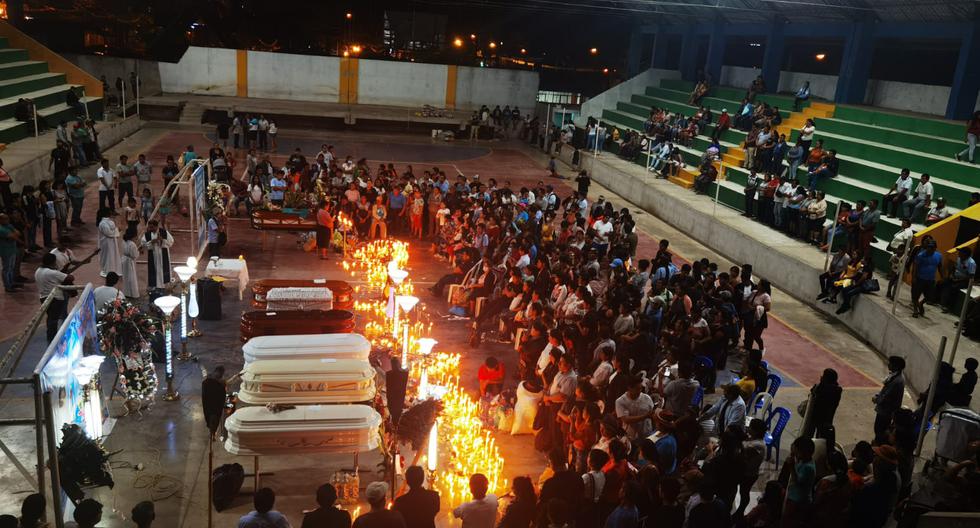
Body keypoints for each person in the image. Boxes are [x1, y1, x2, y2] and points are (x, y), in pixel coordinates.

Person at [35, 252, 72, 341]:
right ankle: (52, 339)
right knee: (54, 319)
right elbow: (70, 278)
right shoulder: (52, 273)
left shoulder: (38, 271)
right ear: (52, 262)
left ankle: (51, 337)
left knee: (51, 318)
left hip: (43, 297)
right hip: (55, 299)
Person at [801, 368, 842, 445]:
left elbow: (812, 395)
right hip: (827, 419)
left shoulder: (820, 388)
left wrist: (820, 384)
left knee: (808, 437)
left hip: (814, 417)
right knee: (822, 440)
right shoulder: (838, 390)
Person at [872, 355, 906, 445]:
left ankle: (878, 445)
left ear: (896, 366)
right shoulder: (894, 376)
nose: (888, 364)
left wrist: (876, 399)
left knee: (879, 429)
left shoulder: (897, 381)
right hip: (886, 410)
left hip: (886, 411)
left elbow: (886, 396)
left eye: (891, 363)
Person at [615, 376, 656, 440]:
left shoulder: (646, 398)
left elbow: (653, 414)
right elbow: (626, 419)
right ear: (629, 388)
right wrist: (645, 416)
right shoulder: (620, 401)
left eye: (640, 388)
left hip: (646, 433)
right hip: (630, 435)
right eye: (637, 389)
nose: (639, 391)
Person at [937, 247, 976, 313]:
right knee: (942, 282)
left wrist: (958, 280)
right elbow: (954, 267)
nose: (959, 253)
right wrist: (951, 275)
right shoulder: (959, 259)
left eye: (960, 252)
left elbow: (970, 276)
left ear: (965, 254)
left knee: (954, 288)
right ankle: (936, 300)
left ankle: (949, 307)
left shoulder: (971, 263)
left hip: (964, 281)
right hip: (955, 277)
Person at [911, 238, 942, 318]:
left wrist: (942, 276)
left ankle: (920, 304)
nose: (929, 249)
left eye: (932, 247)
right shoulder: (921, 255)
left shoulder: (938, 256)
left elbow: (940, 266)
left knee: (929, 296)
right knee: (915, 295)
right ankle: (915, 310)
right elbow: (916, 267)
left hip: (931, 280)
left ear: (935, 248)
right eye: (928, 247)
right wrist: (914, 277)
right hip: (920, 278)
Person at [141, 219, 174, 290]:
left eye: (152, 227)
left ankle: (164, 285)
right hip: (153, 255)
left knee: (163, 268)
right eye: (149, 227)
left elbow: (171, 242)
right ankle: (154, 285)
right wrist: (152, 242)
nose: (150, 229)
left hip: (163, 255)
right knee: (154, 269)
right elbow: (143, 244)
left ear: (156, 226)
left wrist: (162, 240)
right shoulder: (147, 234)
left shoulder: (164, 232)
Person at [202, 365, 231, 440]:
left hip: (208, 403)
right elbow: (227, 386)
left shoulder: (207, 380)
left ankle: (212, 432)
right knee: (216, 419)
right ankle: (213, 433)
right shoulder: (221, 383)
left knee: (209, 417)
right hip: (217, 405)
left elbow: (204, 390)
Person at [97, 208, 120, 277]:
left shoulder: (109, 221)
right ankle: (107, 270)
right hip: (106, 243)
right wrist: (116, 230)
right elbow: (108, 233)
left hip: (112, 242)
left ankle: (113, 269)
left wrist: (116, 229)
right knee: (107, 256)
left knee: (112, 255)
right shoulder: (103, 223)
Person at [119, 229, 140, 298]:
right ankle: (133, 294)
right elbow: (134, 255)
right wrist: (138, 250)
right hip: (129, 262)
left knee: (125, 277)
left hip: (124, 260)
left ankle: (126, 292)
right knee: (131, 278)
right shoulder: (132, 244)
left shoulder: (124, 242)